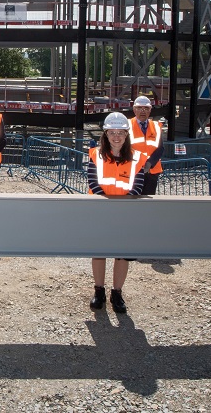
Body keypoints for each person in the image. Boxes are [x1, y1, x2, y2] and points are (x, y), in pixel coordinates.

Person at [86, 112, 146, 314]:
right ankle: (99, 291)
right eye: (112, 132)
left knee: (122, 255)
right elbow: (93, 182)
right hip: (99, 212)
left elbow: (138, 185)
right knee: (99, 253)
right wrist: (107, 206)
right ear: (105, 133)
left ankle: (117, 293)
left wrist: (121, 208)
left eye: (121, 132)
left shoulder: (137, 158)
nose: (116, 136)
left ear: (127, 134)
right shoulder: (95, 154)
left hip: (125, 214)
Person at [127, 95, 163, 195]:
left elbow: (160, 148)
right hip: (133, 170)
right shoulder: (127, 126)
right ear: (134, 110)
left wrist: (150, 163)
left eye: (146, 108)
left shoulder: (156, 126)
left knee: (148, 203)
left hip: (152, 171)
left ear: (150, 110)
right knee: (132, 200)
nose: (143, 111)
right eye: (139, 108)